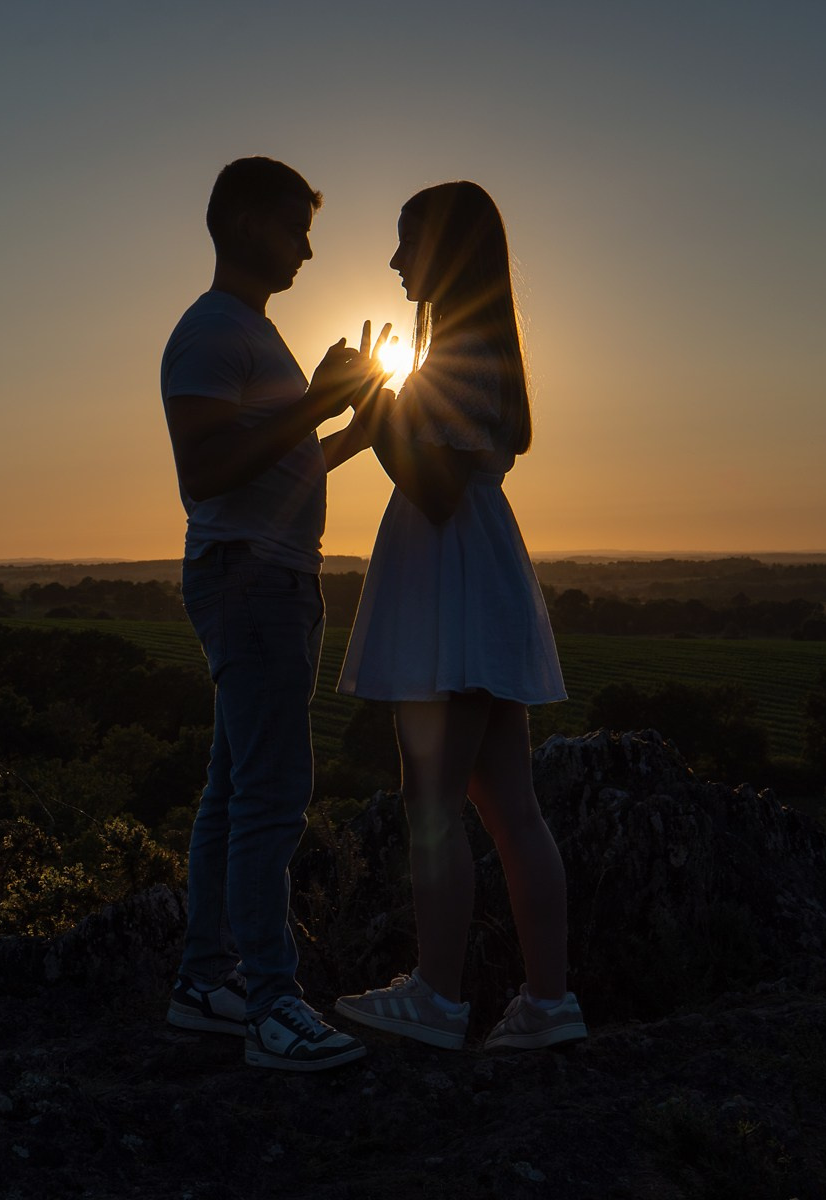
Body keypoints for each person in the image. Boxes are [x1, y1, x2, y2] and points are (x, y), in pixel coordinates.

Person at [331, 181, 586, 1052]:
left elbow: (431, 487)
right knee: (509, 803)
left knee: (433, 799)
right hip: (479, 578)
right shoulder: (484, 352)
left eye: (407, 243)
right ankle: (548, 1003)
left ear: (443, 249)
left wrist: (374, 404)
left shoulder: (456, 358)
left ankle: (439, 996)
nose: (396, 261)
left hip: (452, 584)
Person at [159, 156, 388, 1072]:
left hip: (265, 573)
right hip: (251, 582)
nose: (305, 248)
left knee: (232, 790)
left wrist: (343, 438)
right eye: (296, 226)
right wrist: (316, 404)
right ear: (250, 222)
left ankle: (203, 983)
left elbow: (265, 466)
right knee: (271, 798)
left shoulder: (246, 331)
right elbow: (203, 477)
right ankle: (270, 1005)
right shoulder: (211, 332)